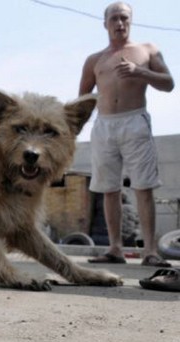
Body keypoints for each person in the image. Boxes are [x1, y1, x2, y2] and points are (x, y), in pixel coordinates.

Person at [79, 2, 175, 267]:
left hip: (135, 121)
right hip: (104, 124)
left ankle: (150, 252)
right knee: (108, 188)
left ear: (131, 21)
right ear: (105, 23)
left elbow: (169, 83)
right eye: (114, 19)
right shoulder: (94, 60)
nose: (119, 23)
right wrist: (70, 131)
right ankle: (114, 248)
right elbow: (83, 99)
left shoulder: (147, 50)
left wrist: (140, 71)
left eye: (124, 18)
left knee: (144, 186)